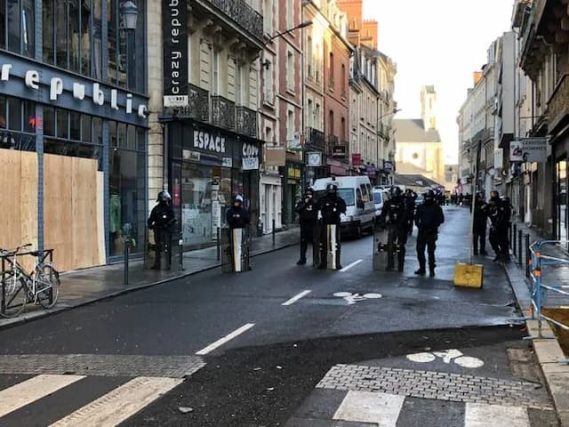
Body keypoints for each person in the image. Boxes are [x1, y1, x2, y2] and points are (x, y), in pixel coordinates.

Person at [415, 190, 445, 277]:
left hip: (431, 232)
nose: (428, 199)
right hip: (422, 232)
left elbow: (441, 219)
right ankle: (422, 268)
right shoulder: (421, 207)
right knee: (420, 251)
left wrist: (434, 225)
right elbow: (416, 218)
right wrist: (419, 226)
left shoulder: (436, 208)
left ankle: (431, 269)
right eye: (427, 197)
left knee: (430, 252)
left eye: (429, 197)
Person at [317, 183, 347, 269]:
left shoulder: (339, 200)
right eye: (330, 191)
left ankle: (337, 263)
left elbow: (343, 209)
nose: (331, 193)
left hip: (335, 223)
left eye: (332, 191)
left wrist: (336, 206)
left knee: (335, 244)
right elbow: (318, 208)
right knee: (323, 244)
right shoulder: (322, 200)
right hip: (324, 224)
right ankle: (323, 262)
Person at [379, 186, 408, 272]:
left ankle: (400, 265)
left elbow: (405, 215)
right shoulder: (388, 203)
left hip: (401, 226)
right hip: (392, 225)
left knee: (401, 246)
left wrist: (402, 224)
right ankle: (390, 264)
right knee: (390, 245)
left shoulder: (402, 203)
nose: (393, 195)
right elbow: (383, 213)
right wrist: (382, 223)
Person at [147, 190, 176, 270]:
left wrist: (168, 225)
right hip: (158, 229)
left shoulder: (168, 209)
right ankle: (157, 263)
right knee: (158, 247)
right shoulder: (156, 209)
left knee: (167, 247)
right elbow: (151, 218)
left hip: (166, 230)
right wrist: (150, 225)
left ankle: (168, 263)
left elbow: (173, 219)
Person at [295, 188, 318, 265]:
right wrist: (305, 204)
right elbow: (297, 209)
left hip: (313, 225)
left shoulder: (315, 203)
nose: (308, 196)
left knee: (314, 243)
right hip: (304, 226)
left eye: (310, 194)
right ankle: (302, 259)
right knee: (303, 242)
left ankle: (315, 260)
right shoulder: (302, 202)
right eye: (307, 194)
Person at [488, 190, 511, 262]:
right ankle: (498, 253)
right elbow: (490, 213)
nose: (492, 196)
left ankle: (504, 255)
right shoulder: (491, 203)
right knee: (492, 239)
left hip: (501, 225)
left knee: (503, 241)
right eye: (492, 194)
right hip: (494, 224)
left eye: (494, 194)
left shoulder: (501, 204)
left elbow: (503, 215)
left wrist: (498, 224)